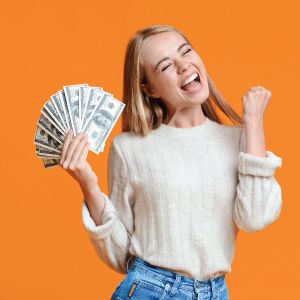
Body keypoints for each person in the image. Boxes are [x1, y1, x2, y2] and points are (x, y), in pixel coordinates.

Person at [59, 24, 283, 300]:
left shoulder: (238, 141)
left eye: (186, 51)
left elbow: (254, 217)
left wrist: (254, 123)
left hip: (215, 292)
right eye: (165, 66)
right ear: (149, 89)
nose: (183, 66)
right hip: (150, 290)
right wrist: (88, 184)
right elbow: (120, 256)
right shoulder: (130, 149)